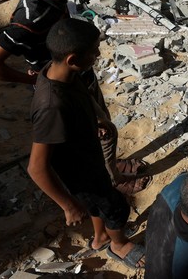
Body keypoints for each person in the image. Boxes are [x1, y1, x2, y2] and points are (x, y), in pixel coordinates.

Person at [0, 0, 148, 194]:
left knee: (102, 124)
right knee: (102, 132)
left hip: (77, 75)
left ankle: (109, 165)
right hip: (63, 87)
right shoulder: (27, 21)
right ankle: (113, 179)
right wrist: (30, 80)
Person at [27, 18, 145, 269]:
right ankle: (119, 245)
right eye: (93, 51)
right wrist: (68, 206)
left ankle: (101, 237)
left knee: (96, 204)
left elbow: (81, 98)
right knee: (115, 207)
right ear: (72, 59)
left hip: (87, 156)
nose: (98, 54)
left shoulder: (63, 73)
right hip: (79, 170)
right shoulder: (51, 106)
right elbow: (36, 168)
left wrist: (96, 121)